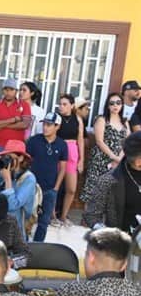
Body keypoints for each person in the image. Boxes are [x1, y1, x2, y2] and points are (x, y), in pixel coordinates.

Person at [83, 131, 141, 234]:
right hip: (121, 239)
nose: (138, 162)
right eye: (135, 158)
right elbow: (91, 215)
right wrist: (105, 233)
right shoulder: (108, 180)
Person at [0, 139, 36, 238]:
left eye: (10, 157)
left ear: (21, 158)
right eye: (5, 157)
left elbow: (13, 205)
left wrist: (8, 180)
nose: (7, 160)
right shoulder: (5, 172)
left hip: (15, 229)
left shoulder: (28, 179)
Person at [80, 93, 130, 202]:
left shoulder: (125, 122)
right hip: (100, 159)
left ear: (122, 105)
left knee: (110, 195)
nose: (115, 106)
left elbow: (127, 142)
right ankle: (87, 219)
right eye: (112, 103)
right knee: (93, 192)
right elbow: (99, 141)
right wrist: (114, 157)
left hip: (118, 162)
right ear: (108, 105)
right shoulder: (102, 119)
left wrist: (119, 158)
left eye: (118, 103)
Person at [26, 112, 68, 242]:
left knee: (44, 222)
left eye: (49, 125)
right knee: (27, 218)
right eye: (44, 124)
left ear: (57, 126)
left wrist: (56, 188)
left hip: (50, 188)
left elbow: (63, 167)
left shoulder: (62, 144)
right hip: (32, 186)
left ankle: (38, 247)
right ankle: (23, 245)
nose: (45, 127)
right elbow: (25, 162)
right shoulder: (34, 141)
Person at [55, 93, 84, 225]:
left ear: (72, 106)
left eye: (65, 104)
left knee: (71, 188)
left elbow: (81, 140)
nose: (61, 106)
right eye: (60, 104)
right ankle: (52, 215)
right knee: (55, 185)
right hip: (58, 150)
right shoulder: (56, 118)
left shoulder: (77, 119)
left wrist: (81, 159)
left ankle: (64, 215)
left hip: (72, 151)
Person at [0, 78, 32, 160]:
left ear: (16, 91)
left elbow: (25, 124)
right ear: (2, 91)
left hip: (16, 145)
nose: (8, 92)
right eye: (6, 89)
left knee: (13, 171)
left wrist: (1, 125)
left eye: (11, 89)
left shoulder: (24, 105)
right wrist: (13, 120)